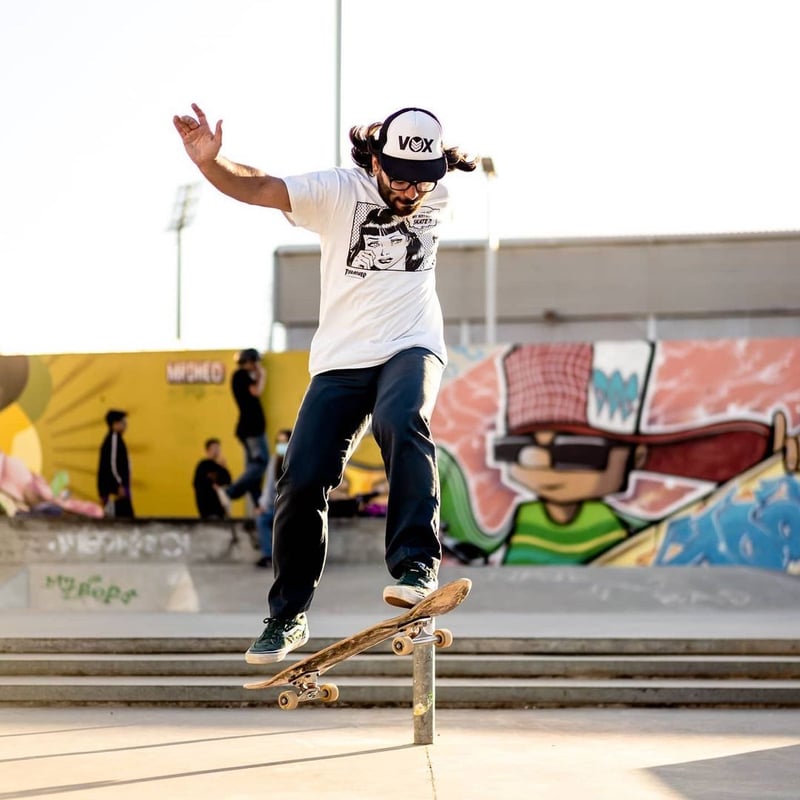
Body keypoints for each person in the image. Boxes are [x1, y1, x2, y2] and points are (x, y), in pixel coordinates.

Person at [174, 102, 477, 663]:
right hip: (340, 361)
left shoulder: (439, 193)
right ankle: (287, 616)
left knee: (401, 418)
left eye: (422, 182)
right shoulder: (336, 191)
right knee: (302, 476)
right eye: (399, 179)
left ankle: (416, 562)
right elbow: (261, 186)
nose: (410, 193)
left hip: (412, 345)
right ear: (376, 162)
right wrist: (212, 166)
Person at [222, 348, 269, 510]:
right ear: (249, 361)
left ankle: (258, 504)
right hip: (252, 428)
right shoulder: (240, 375)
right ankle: (230, 492)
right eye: (255, 362)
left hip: (249, 428)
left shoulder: (241, 377)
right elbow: (256, 391)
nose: (257, 365)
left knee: (253, 470)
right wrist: (262, 375)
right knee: (261, 463)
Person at [254, 428, 292, 568]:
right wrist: (263, 505)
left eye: (285, 442)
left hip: (291, 505)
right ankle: (268, 555)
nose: (281, 445)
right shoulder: (274, 461)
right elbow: (268, 486)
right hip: (276, 505)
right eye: (279, 442)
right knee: (262, 519)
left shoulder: (297, 460)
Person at [97, 409, 134, 518]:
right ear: (115, 424)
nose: (126, 425)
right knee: (125, 521)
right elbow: (112, 465)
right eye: (123, 423)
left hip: (119, 489)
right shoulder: (114, 439)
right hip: (117, 490)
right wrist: (119, 485)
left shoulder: (117, 439)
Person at [192, 438, 232, 519]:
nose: (217, 450)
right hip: (208, 506)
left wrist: (224, 468)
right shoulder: (202, 465)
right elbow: (197, 483)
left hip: (221, 508)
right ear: (208, 450)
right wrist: (212, 485)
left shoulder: (220, 466)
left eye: (218, 448)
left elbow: (228, 481)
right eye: (214, 448)